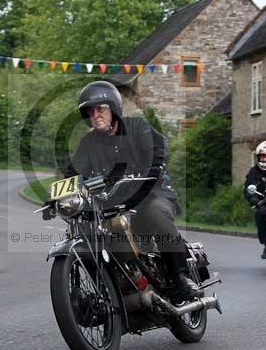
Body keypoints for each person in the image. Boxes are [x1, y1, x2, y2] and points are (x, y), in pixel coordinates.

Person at [62, 80, 202, 300]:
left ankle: (180, 276)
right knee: (91, 233)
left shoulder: (137, 127)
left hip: (149, 193)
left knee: (157, 212)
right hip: (112, 203)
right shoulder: (88, 142)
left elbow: (157, 147)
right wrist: (60, 195)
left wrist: (156, 166)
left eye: (101, 109)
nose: (95, 114)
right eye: (91, 111)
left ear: (114, 109)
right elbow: (73, 171)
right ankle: (111, 290)